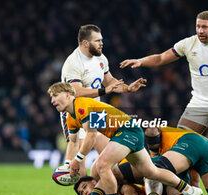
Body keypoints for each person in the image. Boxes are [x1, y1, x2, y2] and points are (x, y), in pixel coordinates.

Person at [120, 11, 208, 195]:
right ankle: (194, 190)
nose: (200, 30)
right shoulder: (188, 43)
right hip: (198, 103)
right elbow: (161, 58)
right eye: (198, 26)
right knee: (183, 147)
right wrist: (141, 61)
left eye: (205, 27)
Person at [48, 82, 203, 195]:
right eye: (51, 98)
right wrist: (69, 163)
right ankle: (190, 191)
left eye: (55, 95)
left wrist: (78, 159)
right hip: (128, 131)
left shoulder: (81, 106)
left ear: (68, 95)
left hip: (125, 131)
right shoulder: (70, 118)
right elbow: (73, 141)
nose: (52, 100)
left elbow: (91, 135)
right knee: (151, 172)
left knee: (102, 165)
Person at [60, 24, 146, 176]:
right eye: (97, 41)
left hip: (96, 110)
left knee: (109, 155)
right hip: (76, 112)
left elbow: (109, 82)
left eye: (101, 40)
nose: (101, 44)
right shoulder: (73, 63)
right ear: (85, 43)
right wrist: (103, 91)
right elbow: (76, 92)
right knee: (80, 157)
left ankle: (103, 194)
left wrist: (127, 89)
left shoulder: (100, 58)